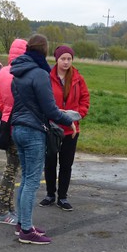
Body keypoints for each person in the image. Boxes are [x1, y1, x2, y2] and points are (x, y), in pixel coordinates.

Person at [9, 34, 80, 245]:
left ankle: (22, 224)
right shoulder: (39, 73)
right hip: (32, 131)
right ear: (45, 50)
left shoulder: (18, 72)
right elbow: (50, 109)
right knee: (32, 180)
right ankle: (27, 230)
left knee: (25, 178)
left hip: (18, 128)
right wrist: (68, 121)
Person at [39, 45, 90, 212]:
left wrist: (78, 114)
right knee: (50, 162)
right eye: (63, 59)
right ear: (57, 59)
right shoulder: (47, 76)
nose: (66, 62)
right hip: (52, 128)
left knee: (66, 164)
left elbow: (85, 99)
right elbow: (42, 99)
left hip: (71, 129)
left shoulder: (78, 78)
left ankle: (63, 197)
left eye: (69, 59)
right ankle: (50, 194)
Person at [0, 39, 27, 225]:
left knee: (11, 167)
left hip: (7, 122)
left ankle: (9, 208)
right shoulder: (23, 73)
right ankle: (3, 211)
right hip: (21, 123)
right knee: (11, 170)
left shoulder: (3, 72)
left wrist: (7, 110)